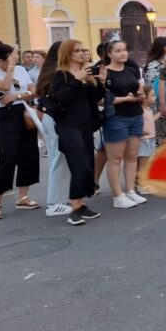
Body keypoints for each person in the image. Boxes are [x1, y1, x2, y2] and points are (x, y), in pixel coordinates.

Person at [0, 43, 41, 219]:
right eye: (12, 56)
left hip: (24, 112)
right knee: (7, 157)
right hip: (6, 115)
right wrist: (10, 68)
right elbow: (5, 86)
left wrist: (17, 96)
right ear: (0, 59)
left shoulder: (21, 70)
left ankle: (23, 196)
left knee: (28, 155)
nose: (15, 58)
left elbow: (34, 91)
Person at [50, 40, 104, 226]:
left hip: (85, 125)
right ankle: (74, 207)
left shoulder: (86, 73)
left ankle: (80, 205)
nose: (82, 53)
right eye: (77, 51)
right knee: (79, 164)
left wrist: (101, 82)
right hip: (68, 125)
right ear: (68, 53)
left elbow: (95, 98)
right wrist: (77, 79)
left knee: (88, 163)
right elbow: (61, 97)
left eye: (83, 50)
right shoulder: (61, 75)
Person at [101, 40, 147, 209]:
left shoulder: (131, 70)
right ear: (109, 54)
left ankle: (130, 190)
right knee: (115, 157)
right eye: (118, 51)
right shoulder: (105, 73)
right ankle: (118, 195)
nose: (123, 53)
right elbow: (101, 100)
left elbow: (139, 89)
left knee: (132, 155)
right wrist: (126, 99)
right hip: (116, 117)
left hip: (136, 115)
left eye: (125, 50)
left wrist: (140, 95)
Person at [35, 42, 72, 216]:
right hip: (55, 119)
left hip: (54, 118)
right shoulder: (56, 74)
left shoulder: (50, 72)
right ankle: (53, 202)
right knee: (58, 159)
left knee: (61, 159)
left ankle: (61, 199)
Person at [143, 36, 166, 146]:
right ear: (165, 48)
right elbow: (153, 86)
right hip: (158, 104)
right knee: (161, 138)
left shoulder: (164, 63)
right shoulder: (154, 65)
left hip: (164, 103)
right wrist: (163, 102)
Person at [137, 86, 161, 183]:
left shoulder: (148, 109)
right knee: (143, 162)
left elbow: (151, 120)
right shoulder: (141, 111)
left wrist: (160, 113)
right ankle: (141, 183)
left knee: (147, 161)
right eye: (152, 95)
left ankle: (140, 181)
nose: (155, 97)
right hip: (144, 139)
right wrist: (141, 132)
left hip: (151, 138)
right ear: (145, 98)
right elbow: (137, 124)